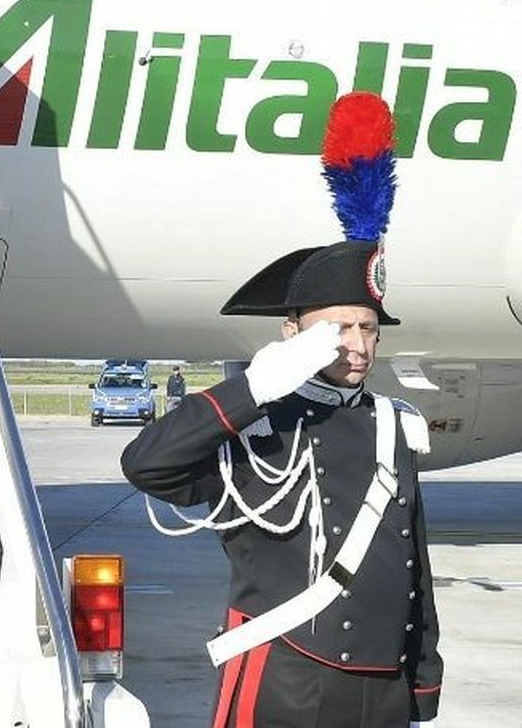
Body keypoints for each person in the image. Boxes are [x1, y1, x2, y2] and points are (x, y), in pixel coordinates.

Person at [120, 92, 441, 727]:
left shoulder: (393, 423)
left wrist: (421, 676)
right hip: (287, 669)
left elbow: (413, 564)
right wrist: (253, 391)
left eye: (367, 327)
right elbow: (147, 465)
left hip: (383, 683)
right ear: (294, 332)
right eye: (338, 328)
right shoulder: (259, 425)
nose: (356, 345)